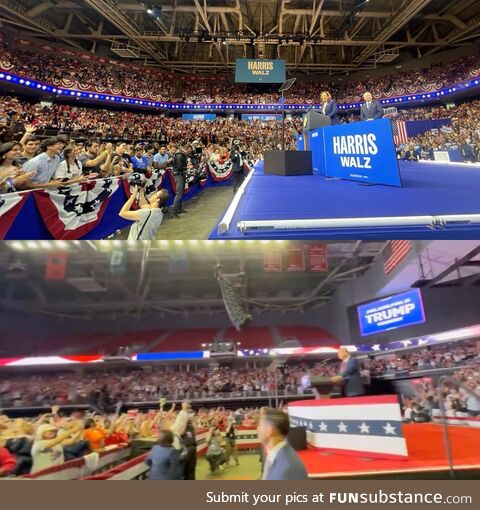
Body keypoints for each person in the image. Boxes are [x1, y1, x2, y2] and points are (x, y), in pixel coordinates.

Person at [257, 408, 308, 480]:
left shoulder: (286, 470)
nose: (258, 429)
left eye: (260, 425)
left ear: (270, 431)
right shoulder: (275, 455)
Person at [171, 400, 197, 480]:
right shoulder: (187, 420)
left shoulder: (183, 417)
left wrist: (186, 418)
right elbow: (193, 432)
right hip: (191, 447)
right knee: (190, 472)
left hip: (186, 448)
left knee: (184, 473)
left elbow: (180, 432)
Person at [170, 144, 188, 218]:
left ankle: (178, 208)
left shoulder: (179, 155)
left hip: (180, 174)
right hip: (178, 174)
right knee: (179, 193)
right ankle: (173, 212)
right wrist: (186, 167)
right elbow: (179, 167)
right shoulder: (179, 156)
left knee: (181, 192)